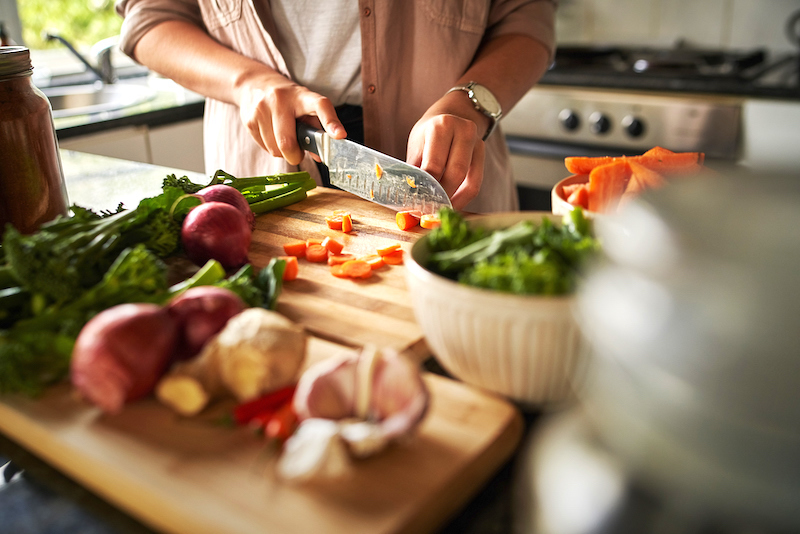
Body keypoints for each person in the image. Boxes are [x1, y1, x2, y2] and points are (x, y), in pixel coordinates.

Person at [115, 0, 555, 212]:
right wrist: (248, 82)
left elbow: (528, 21)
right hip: (269, 165)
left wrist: (470, 104)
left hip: (448, 173)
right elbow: (150, 20)